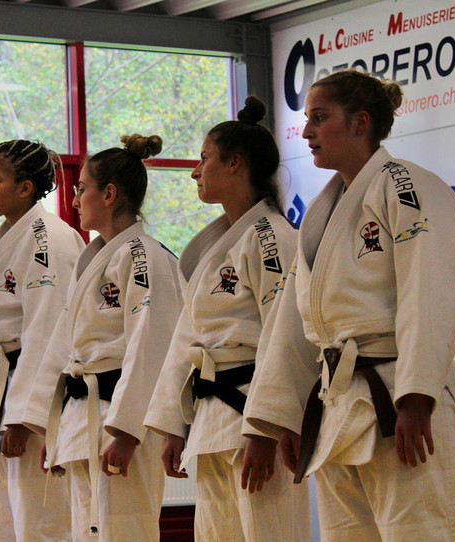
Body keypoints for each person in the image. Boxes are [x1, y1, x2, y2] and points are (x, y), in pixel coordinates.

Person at [243, 69, 455, 542]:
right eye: (307, 120)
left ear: (360, 122)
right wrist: (281, 414)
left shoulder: (408, 187)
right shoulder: (319, 216)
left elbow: (430, 290)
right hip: (337, 408)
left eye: (320, 118)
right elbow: (293, 322)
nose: (306, 132)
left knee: (422, 533)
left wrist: (416, 394)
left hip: (399, 402)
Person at [143, 97, 309, 541]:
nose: (195, 171)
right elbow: (186, 339)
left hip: (254, 419)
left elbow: (287, 336)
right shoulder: (217, 246)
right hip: (212, 418)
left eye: (203, 159)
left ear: (234, 164)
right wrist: (173, 425)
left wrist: (267, 428)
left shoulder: (272, 238)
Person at [21, 134, 183, 541]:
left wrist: (127, 430)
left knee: (124, 532)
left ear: (109, 194)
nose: (74, 200)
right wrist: (51, 426)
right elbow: (64, 346)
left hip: (120, 422)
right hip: (82, 417)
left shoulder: (144, 256)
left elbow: (152, 343)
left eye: (81, 190)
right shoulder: (93, 259)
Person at [0, 140, 83, 542]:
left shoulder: (51, 241)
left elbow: (48, 334)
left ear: (25, 188)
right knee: (1, 526)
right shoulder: (8, 238)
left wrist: (25, 418)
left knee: (41, 525)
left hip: (30, 408)